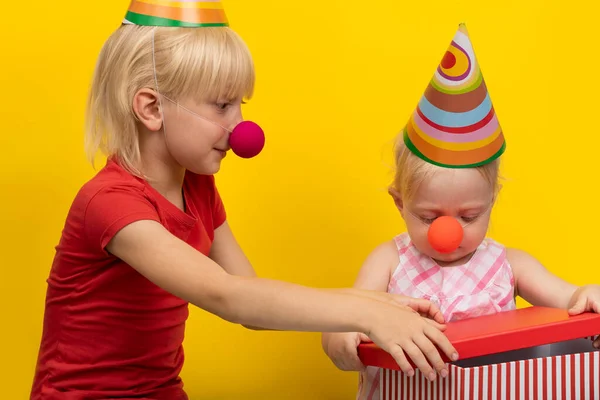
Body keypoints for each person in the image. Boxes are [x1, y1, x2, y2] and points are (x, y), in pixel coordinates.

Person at [29, 2, 460, 399]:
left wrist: (375, 304)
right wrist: (366, 316)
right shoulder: (110, 203)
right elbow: (229, 297)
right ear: (152, 109)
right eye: (221, 105)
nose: (241, 128)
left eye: (241, 104)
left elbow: (251, 292)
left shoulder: (196, 188)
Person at [320, 23, 600, 400]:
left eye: (468, 217)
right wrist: (339, 337)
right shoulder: (388, 261)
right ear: (400, 203)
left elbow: (571, 300)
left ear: (491, 202)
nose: (448, 232)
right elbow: (345, 317)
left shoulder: (511, 265)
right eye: (429, 217)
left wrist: (587, 293)